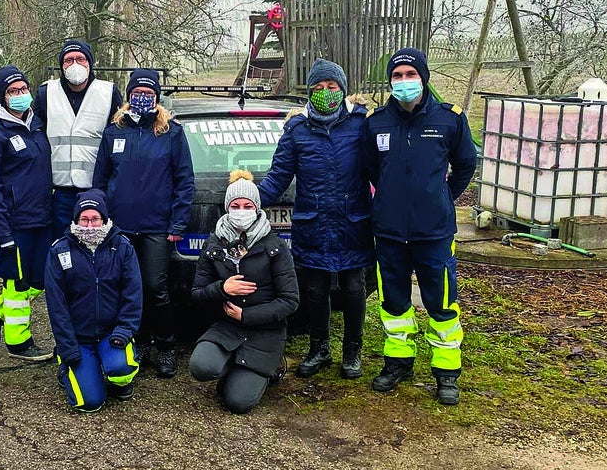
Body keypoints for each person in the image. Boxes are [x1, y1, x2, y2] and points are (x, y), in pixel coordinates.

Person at [360, 47, 476, 405]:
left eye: (411, 74)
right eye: (397, 76)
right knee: (393, 302)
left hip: (434, 232)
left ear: (423, 78)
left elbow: (466, 165)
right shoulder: (375, 122)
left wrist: (441, 197)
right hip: (389, 232)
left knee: (441, 304)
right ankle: (398, 362)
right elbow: (371, 170)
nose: (404, 81)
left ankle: (446, 371)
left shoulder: (449, 119)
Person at [258, 58, 374, 379]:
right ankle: (319, 348)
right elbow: (279, 176)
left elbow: (380, 169)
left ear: (342, 89)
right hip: (314, 221)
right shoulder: (297, 129)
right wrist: (250, 200)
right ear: (310, 92)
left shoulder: (361, 123)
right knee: (316, 289)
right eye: (318, 87)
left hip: (353, 221)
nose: (325, 92)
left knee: (354, 287)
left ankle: (352, 351)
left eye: (331, 86)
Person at [93, 68, 195, 378]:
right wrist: (101, 221)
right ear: (128, 96)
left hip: (157, 228)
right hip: (120, 227)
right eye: (137, 93)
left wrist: (178, 224)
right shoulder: (114, 132)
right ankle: (135, 341)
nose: (142, 98)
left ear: (156, 97)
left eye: (148, 93)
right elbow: (100, 181)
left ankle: (165, 346)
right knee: (125, 288)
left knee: (154, 288)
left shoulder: (171, 133)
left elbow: (184, 181)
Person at [189, 171, 299, 414]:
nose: (241, 211)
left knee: (238, 403)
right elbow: (197, 293)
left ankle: (269, 368)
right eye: (235, 206)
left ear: (257, 208)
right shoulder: (214, 243)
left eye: (247, 206)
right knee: (201, 367)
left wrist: (246, 315)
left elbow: (290, 301)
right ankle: (232, 367)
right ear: (227, 208)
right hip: (227, 327)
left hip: (265, 331)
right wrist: (221, 288)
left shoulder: (276, 246)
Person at [0, 65, 54, 361]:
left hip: (41, 217)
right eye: (12, 91)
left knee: (39, 281)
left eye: (23, 89)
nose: (20, 94)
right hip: (13, 221)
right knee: (17, 283)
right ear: (2, 96)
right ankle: (18, 342)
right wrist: (2, 230)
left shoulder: (36, 123)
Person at [45, 189, 142, 412]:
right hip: (78, 339)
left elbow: (133, 294)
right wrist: (68, 347)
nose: (90, 225)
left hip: (111, 334)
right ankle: (68, 366)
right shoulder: (59, 250)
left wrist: (123, 331)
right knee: (89, 403)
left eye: (95, 218)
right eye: (84, 219)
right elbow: (56, 306)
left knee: (121, 369)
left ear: (104, 219)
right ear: (75, 220)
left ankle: (118, 377)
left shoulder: (123, 247)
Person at [35, 40, 124, 238]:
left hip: (96, 188)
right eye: (69, 60)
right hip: (58, 190)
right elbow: (35, 137)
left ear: (90, 63)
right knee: (61, 244)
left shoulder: (108, 92)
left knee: (94, 244)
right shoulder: (46, 93)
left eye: (80, 59)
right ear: (61, 65)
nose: (75, 64)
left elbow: (118, 138)